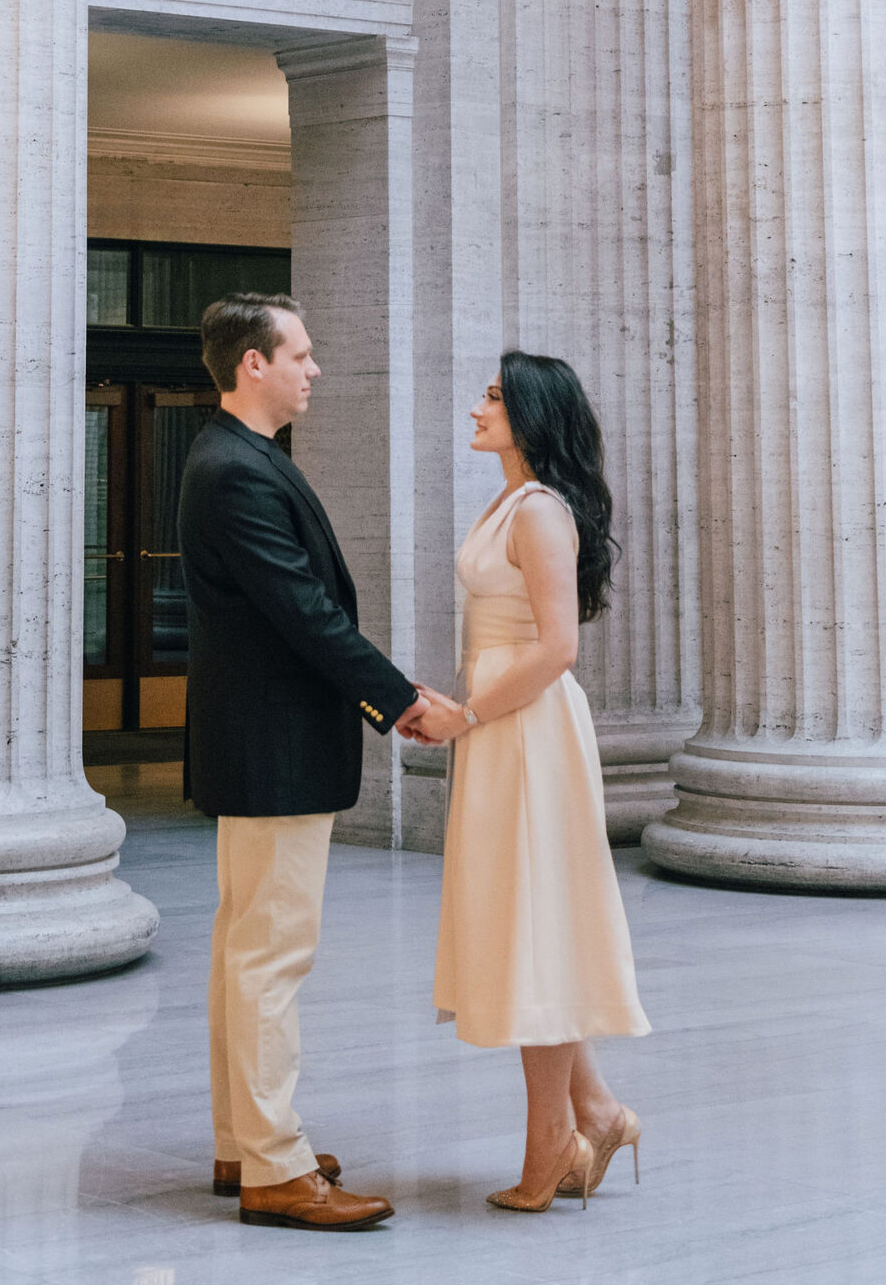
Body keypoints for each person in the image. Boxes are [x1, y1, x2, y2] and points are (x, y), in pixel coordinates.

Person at [179, 293, 432, 1233]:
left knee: (245, 949)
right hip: (274, 747)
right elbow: (303, 613)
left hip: (261, 746)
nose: (314, 368)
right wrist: (399, 698)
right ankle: (275, 1169)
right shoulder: (236, 470)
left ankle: (245, 1141)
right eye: (301, 353)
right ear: (255, 364)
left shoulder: (236, 458)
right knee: (270, 955)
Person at [402, 351, 650, 1211]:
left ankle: (554, 1140)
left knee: (535, 925)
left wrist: (467, 713)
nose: (476, 406)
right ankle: (595, 1111)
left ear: (531, 415)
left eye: (494, 396)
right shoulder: (509, 500)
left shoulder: (540, 511)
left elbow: (556, 649)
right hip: (502, 724)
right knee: (524, 922)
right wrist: (458, 701)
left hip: (526, 731)